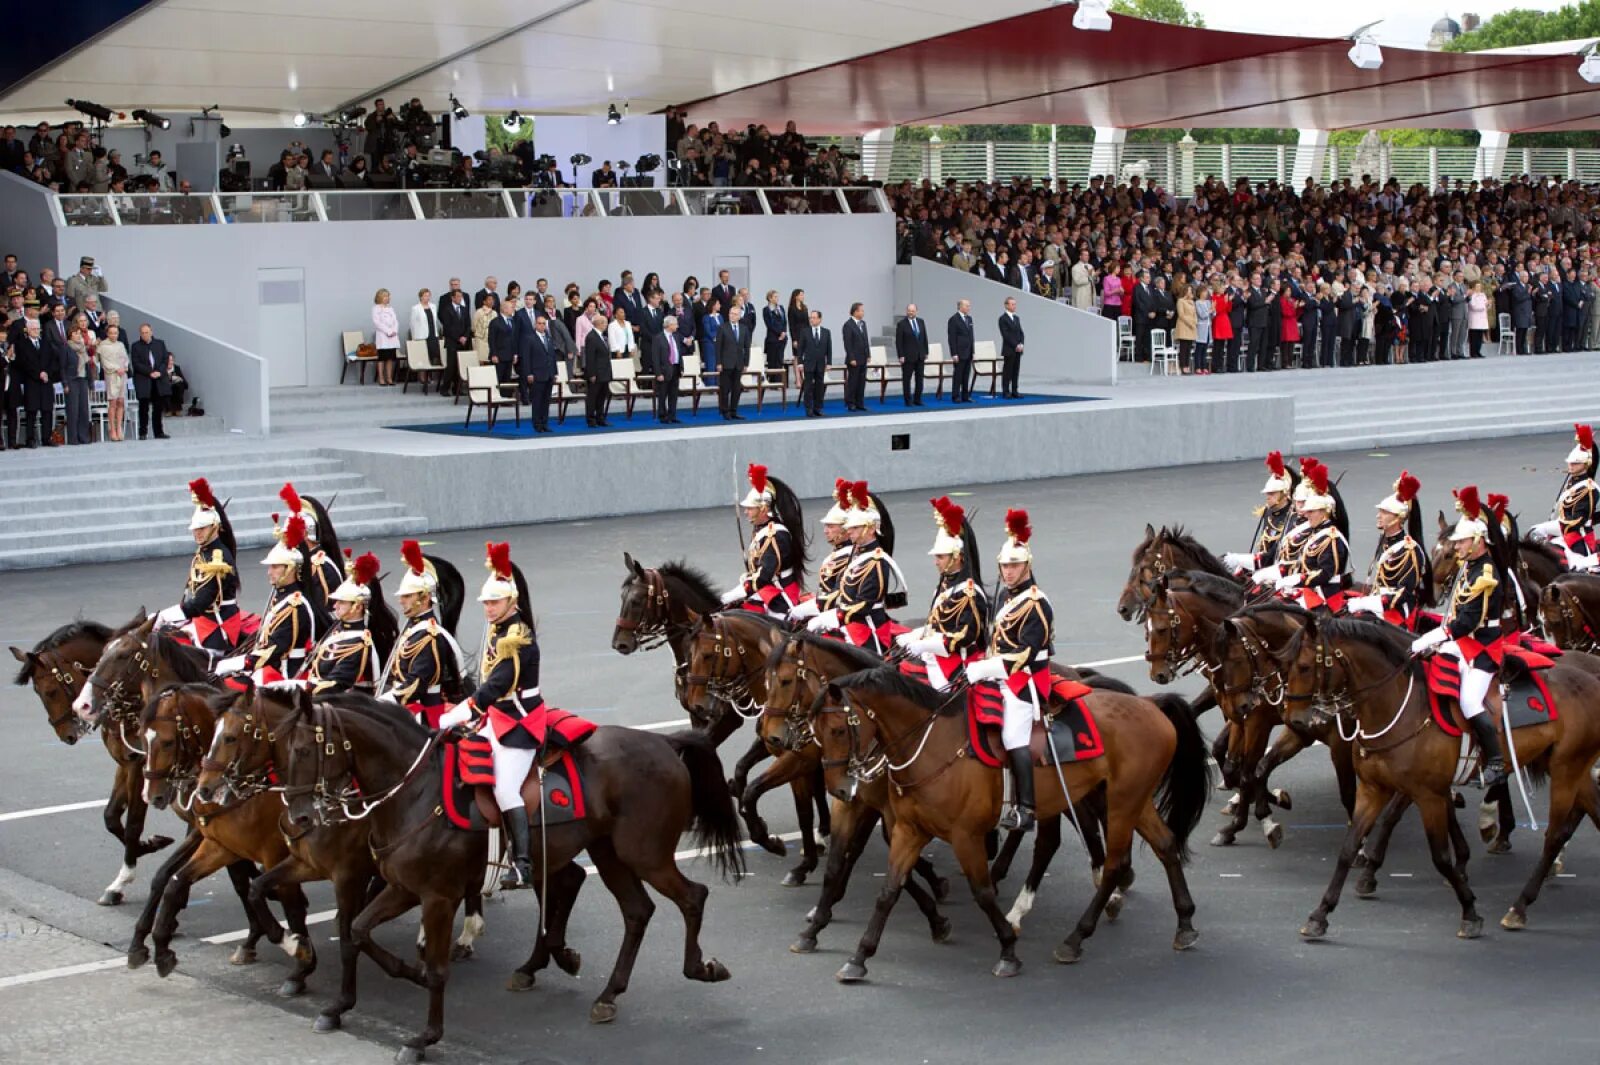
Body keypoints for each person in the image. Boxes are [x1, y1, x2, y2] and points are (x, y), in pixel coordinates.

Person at [435, 544, 546, 889]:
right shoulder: (499, 632)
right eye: (485, 602)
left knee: (505, 790)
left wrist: (453, 715)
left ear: (511, 603)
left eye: (494, 602)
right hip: (497, 718)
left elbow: (493, 688)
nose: (487, 608)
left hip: (519, 724)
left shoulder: (516, 640)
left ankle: (522, 865)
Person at [1411, 487, 1508, 790]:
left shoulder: (1486, 572)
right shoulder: (1469, 566)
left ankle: (1494, 762)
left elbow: (1467, 622)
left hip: (1482, 647)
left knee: (1468, 700)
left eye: (1462, 541)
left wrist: (1433, 636)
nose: (1457, 547)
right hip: (1462, 640)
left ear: (1477, 542)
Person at [964, 510, 1052, 833]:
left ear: (1026, 566)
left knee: (1014, 735)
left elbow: (1025, 654)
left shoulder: (1037, 603)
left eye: (1014, 566)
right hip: (997, 672)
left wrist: (986, 667)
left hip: (1024, 679)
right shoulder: (1003, 596)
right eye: (1004, 566)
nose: (1008, 571)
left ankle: (1026, 807)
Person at [894, 496, 989, 691]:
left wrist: (924, 645)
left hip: (956, 663)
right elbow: (937, 625)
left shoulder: (969, 593)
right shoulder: (946, 584)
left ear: (957, 557)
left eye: (941, 557)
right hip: (936, 658)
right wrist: (917, 634)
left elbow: (961, 637)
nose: (936, 562)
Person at [217, 514, 318, 686]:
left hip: (286, 673)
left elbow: (275, 648)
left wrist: (243, 663)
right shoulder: (282, 599)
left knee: (230, 688)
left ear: (290, 568)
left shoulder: (295, 605)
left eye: (275, 567)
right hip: (273, 667)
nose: (269, 572)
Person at [807, 482, 905, 653]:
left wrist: (834, 617)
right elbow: (840, 590)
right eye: (848, 527)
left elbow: (864, 605)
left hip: (868, 628)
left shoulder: (876, 560)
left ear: (871, 529)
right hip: (851, 623)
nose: (849, 531)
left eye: (854, 527)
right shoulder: (856, 554)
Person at [379, 540, 465, 728]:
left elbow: (414, 685)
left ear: (425, 598)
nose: (401, 601)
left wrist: (380, 704)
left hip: (423, 719)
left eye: (407, 596)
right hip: (406, 710)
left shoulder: (429, 636)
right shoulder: (413, 630)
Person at [155, 479, 244, 658]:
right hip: (204, 620)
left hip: (217, 629)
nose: (197, 533)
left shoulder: (218, 560)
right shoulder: (204, 552)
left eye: (202, 528)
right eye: (195, 529)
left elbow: (200, 603)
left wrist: (163, 615)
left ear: (215, 527)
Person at [1346, 472, 1430, 628]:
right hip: (1380, 603)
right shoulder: (1385, 542)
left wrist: (1369, 603)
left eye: (1384, 513)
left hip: (1396, 611)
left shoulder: (1409, 550)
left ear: (1398, 518)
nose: (1378, 516)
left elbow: (1402, 593)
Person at [721, 464, 806, 616]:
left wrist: (735, 593)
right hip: (765, 590)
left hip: (779, 594)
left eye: (750, 508)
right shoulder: (762, 531)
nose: (746, 512)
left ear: (764, 509)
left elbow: (765, 575)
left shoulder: (774, 534)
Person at [1276, 462, 1350, 612]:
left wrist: (1298, 580)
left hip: (1323, 594)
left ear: (1324, 513)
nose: (1306, 514)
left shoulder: (1331, 538)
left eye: (1311, 511)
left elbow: (1326, 573)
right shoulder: (1316, 532)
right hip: (1310, 590)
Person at [1528, 424, 1597, 571]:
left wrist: (1555, 526)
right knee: (1534, 531)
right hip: (1563, 525)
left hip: (1576, 532)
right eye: (1570, 463)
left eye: (1575, 463)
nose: (1570, 466)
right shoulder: (1573, 480)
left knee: (1577, 567)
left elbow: (1578, 520)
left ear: (1585, 464)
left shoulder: (1588, 488)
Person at [1223, 451, 1296, 575]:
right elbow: (1264, 548)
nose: (1267, 497)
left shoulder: (1292, 519)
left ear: (1284, 495)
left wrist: (1242, 559)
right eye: (1267, 493)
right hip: (1265, 563)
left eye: (1272, 493)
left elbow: (1274, 555)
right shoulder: (1269, 511)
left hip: (1281, 570)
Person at [791, 480, 854, 620]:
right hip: (825, 603)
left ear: (845, 529)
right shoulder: (837, 553)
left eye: (831, 526)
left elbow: (839, 594)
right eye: (826, 526)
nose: (825, 531)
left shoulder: (850, 556)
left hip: (839, 609)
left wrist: (815, 605)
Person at [515, 300, 558, 433]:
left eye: (543, 324)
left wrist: (555, 372)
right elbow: (526, 358)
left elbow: (552, 356)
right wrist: (528, 373)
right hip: (536, 374)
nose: (541, 326)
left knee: (546, 401)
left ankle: (545, 423)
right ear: (535, 325)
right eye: (539, 323)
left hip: (549, 373)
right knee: (537, 400)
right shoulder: (529, 338)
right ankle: (537, 424)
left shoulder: (549, 338)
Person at [15, 319, 53, 447]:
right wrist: (38, 374)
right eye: (33, 329)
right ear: (28, 330)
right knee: (31, 411)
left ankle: (46, 438)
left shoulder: (45, 343)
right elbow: (23, 363)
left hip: (46, 381)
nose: (36, 331)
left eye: (38, 329)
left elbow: (51, 360)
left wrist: (46, 372)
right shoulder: (22, 344)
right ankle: (30, 439)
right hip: (32, 381)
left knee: (47, 410)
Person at [62, 312, 94, 445]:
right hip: (72, 380)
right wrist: (65, 383)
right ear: (70, 335)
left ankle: (84, 437)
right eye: (75, 334)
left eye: (79, 334)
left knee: (83, 409)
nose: (78, 336)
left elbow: (87, 365)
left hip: (83, 379)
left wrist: (90, 382)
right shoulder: (66, 348)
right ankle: (73, 438)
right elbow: (62, 367)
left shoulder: (82, 348)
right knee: (73, 410)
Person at [438, 281, 472, 396]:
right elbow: (447, 327)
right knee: (451, 366)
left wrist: (465, 336)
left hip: (463, 342)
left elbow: (468, 325)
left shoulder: (464, 309)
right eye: (457, 296)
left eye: (460, 296)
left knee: (459, 366)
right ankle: (445, 388)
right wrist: (458, 337)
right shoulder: (447, 310)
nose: (459, 298)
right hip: (452, 342)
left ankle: (457, 388)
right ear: (452, 298)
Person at [650, 315, 685, 423]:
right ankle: (662, 415)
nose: (677, 326)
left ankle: (672, 415)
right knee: (663, 394)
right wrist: (658, 373)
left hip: (675, 368)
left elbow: (679, 352)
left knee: (673, 394)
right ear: (669, 325)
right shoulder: (658, 338)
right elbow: (655, 357)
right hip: (664, 370)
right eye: (675, 324)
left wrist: (681, 367)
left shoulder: (676, 336)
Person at [97, 322, 129, 441]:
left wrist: (124, 367)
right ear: (107, 334)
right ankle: (112, 429)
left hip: (122, 375)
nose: (114, 335)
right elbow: (105, 363)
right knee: (113, 402)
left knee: (121, 401)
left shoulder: (120, 344)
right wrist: (117, 368)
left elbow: (126, 358)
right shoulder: (103, 346)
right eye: (111, 333)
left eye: (116, 333)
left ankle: (119, 427)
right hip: (111, 376)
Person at [582, 309, 613, 427]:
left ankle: (600, 417)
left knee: (602, 397)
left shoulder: (601, 336)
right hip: (596, 373)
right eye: (605, 322)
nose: (606, 325)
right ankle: (591, 419)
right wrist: (592, 374)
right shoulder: (591, 337)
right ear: (599, 323)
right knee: (592, 397)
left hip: (604, 372)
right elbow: (590, 357)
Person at [894, 302, 929, 407]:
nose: (910, 313)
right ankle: (908, 400)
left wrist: (926, 351)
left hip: (920, 355)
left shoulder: (921, 322)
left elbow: (924, 338)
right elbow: (899, 341)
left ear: (916, 311)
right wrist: (901, 355)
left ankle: (917, 399)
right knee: (907, 379)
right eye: (909, 311)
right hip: (907, 357)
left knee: (919, 379)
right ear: (906, 311)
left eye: (913, 311)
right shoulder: (901, 324)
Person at [717, 304, 749, 420]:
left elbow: (747, 347)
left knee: (737, 388)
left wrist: (746, 363)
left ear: (739, 316)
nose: (732, 316)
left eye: (735, 314)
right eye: (731, 313)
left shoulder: (744, 329)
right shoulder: (722, 328)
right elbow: (718, 347)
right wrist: (719, 363)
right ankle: (725, 411)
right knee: (725, 388)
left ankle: (733, 410)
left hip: (739, 363)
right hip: (726, 363)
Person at [799, 308, 830, 418]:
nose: (812, 320)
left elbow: (829, 349)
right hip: (808, 363)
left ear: (820, 319)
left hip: (821, 363)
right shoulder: (805, 331)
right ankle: (808, 409)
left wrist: (829, 363)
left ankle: (818, 408)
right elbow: (800, 349)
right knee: (808, 387)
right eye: (810, 318)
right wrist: (800, 362)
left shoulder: (826, 332)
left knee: (819, 387)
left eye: (814, 318)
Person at [841, 302, 870, 412]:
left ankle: (860, 403)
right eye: (861, 310)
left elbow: (865, 340)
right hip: (854, 359)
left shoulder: (863, 323)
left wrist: (868, 354)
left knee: (861, 382)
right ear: (855, 311)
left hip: (863, 357)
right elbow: (847, 344)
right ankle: (850, 403)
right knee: (853, 382)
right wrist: (851, 358)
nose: (863, 312)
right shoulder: (848, 325)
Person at [948, 299, 975, 403]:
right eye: (967, 306)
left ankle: (965, 395)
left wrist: (973, 351)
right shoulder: (954, 320)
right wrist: (954, 353)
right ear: (960, 306)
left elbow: (971, 336)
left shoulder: (969, 319)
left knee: (966, 375)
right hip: (959, 352)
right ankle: (955, 395)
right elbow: (952, 338)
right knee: (958, 375)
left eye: (969, 306)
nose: (969, 308)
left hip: (968, 352)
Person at [997, 296, 1025, 399]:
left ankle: (1014, 390)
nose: (1014, 306)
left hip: (1018, 350)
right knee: (1007, 371)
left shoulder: (1017, 318)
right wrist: (1015, 345)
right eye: (1012, 304)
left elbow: (1021, 333)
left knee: (1015, 371)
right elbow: (1006, 335)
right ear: (1006, 305)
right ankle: (1006, 391)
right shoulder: (1003, 319)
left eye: (1015, 304)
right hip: (1009, 349)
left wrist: (1021, 343)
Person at [372, 289, 399, 386]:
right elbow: (377, 323)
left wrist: (394, 330)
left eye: (388, 296)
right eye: (385, 296)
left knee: (390, 358)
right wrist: (388, 331)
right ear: (379, 297)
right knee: (382, 358)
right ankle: (381, 378)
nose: (387, 298)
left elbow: (395, 321)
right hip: (383, 336)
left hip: (392, 337)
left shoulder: (391, 308)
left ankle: (389, 378)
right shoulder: (376, 308)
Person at [487, 296, 516, 385]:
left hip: (510, 355)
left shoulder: (512, 321)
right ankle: (497, 396)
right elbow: (491, 340)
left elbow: (514, 338)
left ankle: (506, 396)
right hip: (499, 356)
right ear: (504, 309)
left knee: (507, 379)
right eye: (511, 307)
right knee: (498, 378)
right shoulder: (495, 322)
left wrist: (515, 353)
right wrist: (494, 354)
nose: (513, 309)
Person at [786, 289, 809, 389]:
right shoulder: (792, 309)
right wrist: (794, 339)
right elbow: (791, 325)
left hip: (805, 334)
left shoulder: (804, 307)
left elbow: (808, 323)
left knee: (804, 357)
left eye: (803, 295)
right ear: (796, 296)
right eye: (801, 295)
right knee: (797, 357)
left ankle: (804, 378)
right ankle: (798, 380)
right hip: (797, 334)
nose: (803, 296)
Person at [761, 290, 788, 374]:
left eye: (777, 296)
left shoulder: (781, 308)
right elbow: (769, 324)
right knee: (772, 360)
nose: (777, 298)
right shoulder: (766, 310)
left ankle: (779, 381)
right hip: (773, 338)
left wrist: (784, 332)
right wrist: (779, 333)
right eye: (775, 297)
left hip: (782, 338)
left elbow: (785, 321)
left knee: (780, 359)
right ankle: (773, 381)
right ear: (770, 298)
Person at [1466, 281, 1489, 359]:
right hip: (1475, 318)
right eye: (1477, 286)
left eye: (1479, 286)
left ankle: (1478, 351)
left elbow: (1486, 305)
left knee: (1479, 337)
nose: (1479, 288)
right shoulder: (1472, 295)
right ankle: (1473, 352)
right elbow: (1473, 306)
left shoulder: (1483, 295)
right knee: (1474, 337)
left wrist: (1488, 304)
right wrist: (1484, 306)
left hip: (1482, 319)